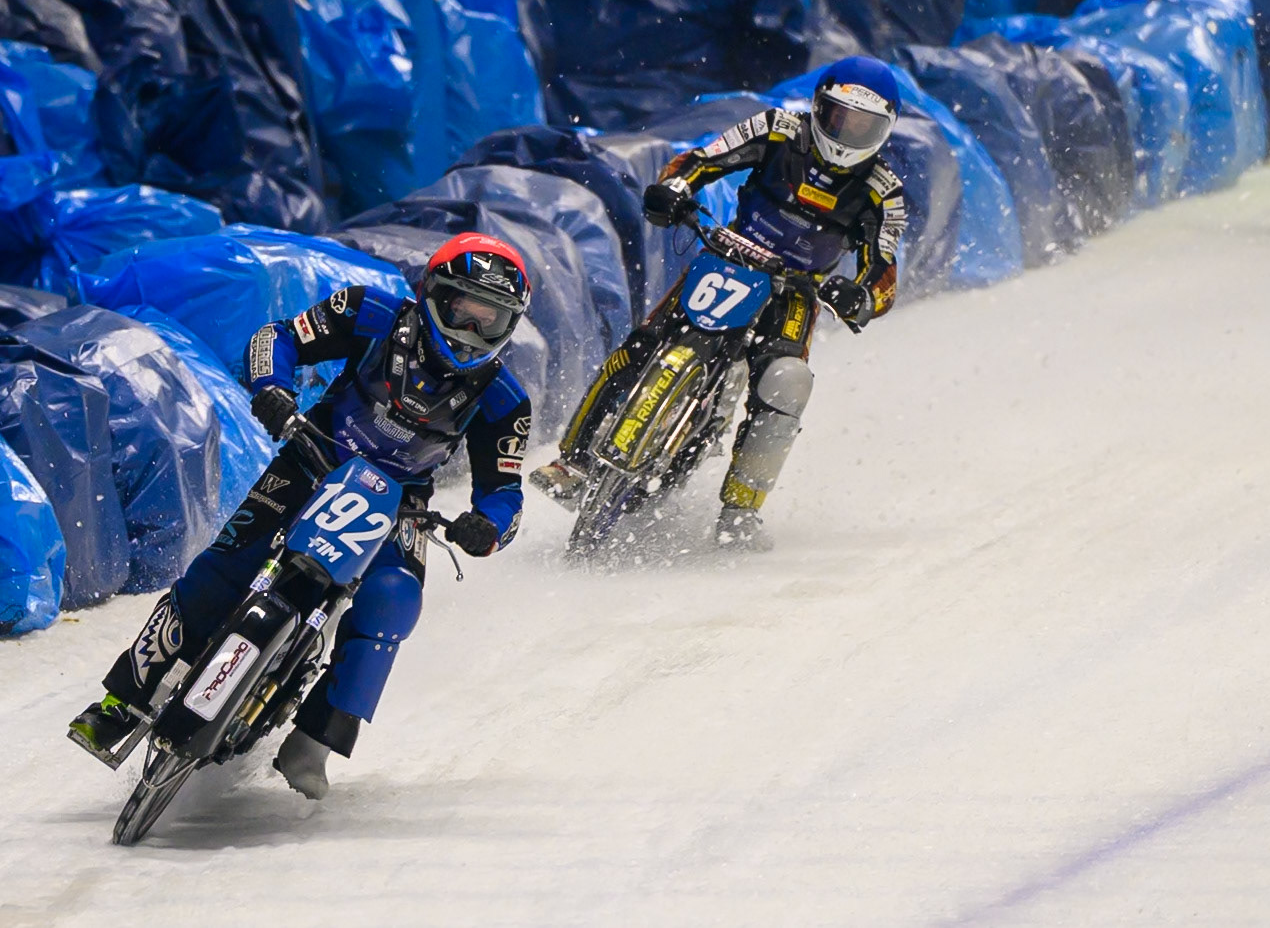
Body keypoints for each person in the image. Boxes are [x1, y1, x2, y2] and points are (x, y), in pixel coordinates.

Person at [69, 234, 534, 799]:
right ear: (432, 293)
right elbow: (277, 339)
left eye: (492, 321)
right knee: (224, 566)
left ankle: (317, 739)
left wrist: (484, 526)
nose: (471, 333)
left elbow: (505, 490)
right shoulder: (369, 311)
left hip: (403, 503)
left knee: (392, 600)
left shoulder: (506, 398)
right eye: (464, 310)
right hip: (312, 457)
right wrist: (271, 389)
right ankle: (123, 698)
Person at [530, 56, 908, 551]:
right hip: (727, 256)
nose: (849, 133)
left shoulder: (884, 192)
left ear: (885, 131)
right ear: (818, 108)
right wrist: (675, 187)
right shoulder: (775, 128)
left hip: (796, 291)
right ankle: (574, 460)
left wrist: (859, 295)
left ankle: (739, 512)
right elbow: (701, 158)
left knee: (786, 382)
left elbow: (883, 271)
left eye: (865, 126)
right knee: (642, 342)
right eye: (841, 117)